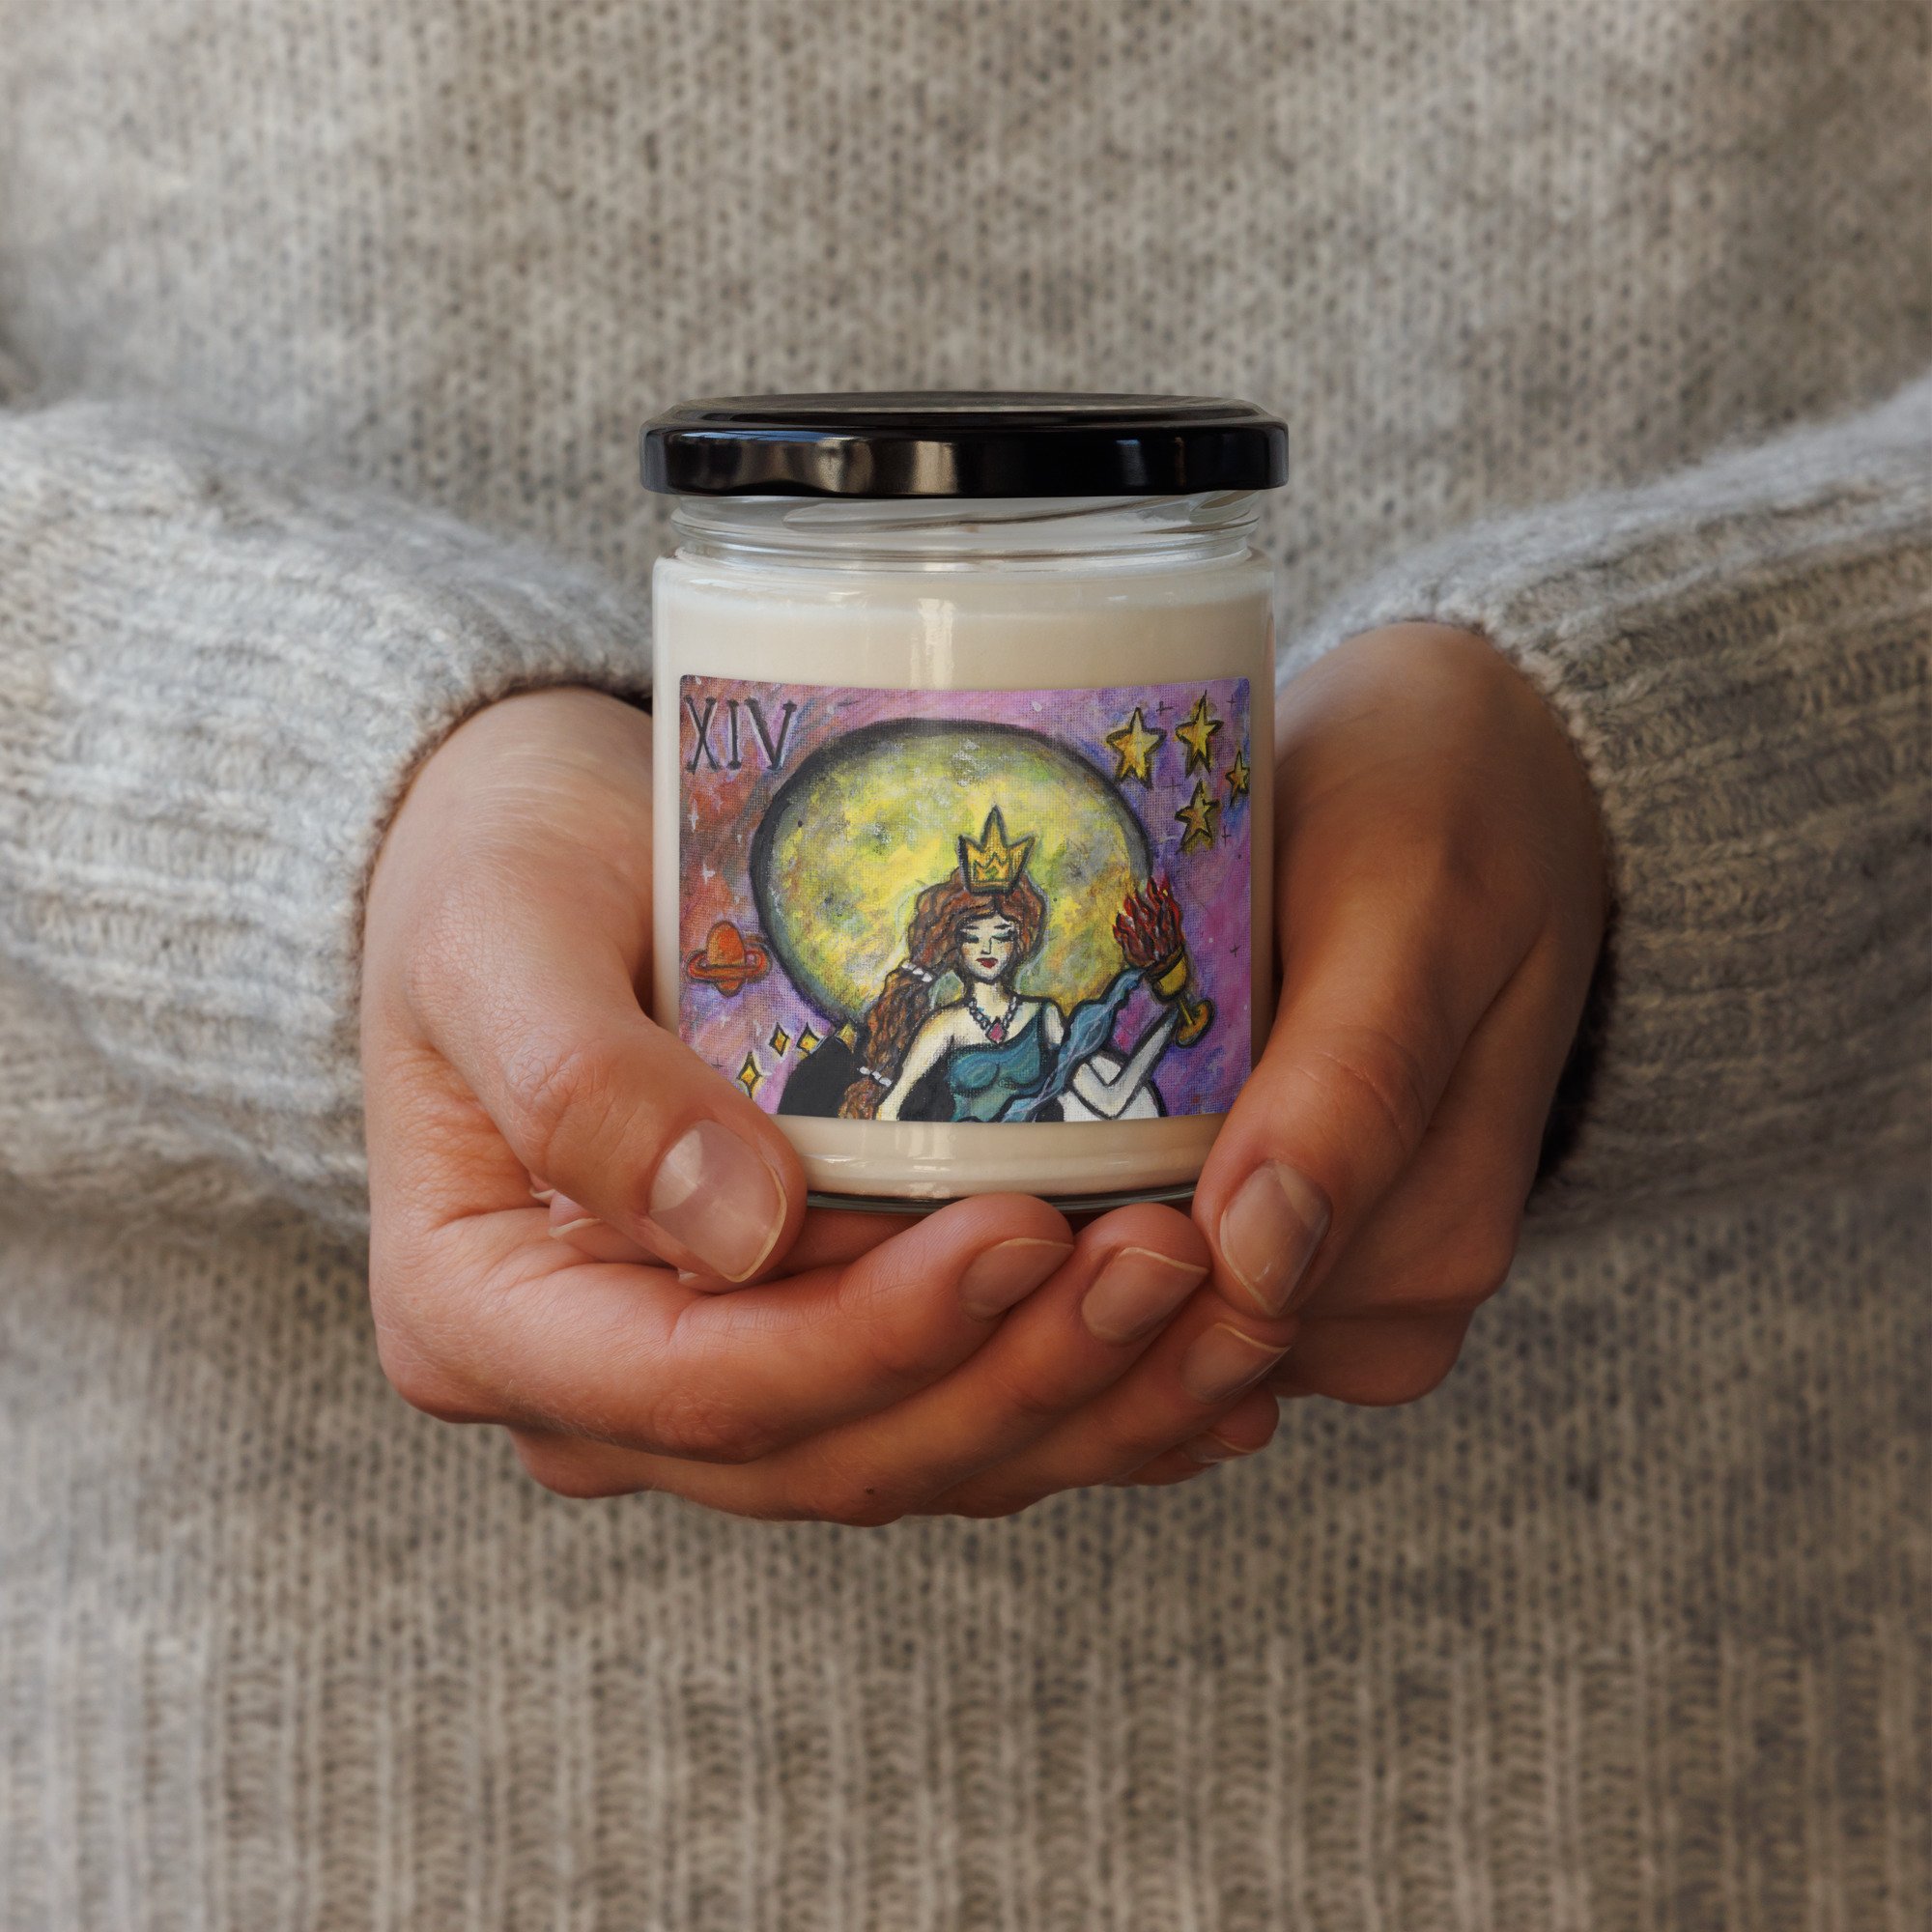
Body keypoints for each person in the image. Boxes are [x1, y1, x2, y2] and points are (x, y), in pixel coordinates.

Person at [1, 2, 1925, 1921]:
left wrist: (1657, 766)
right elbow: (894, 1069)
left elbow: (1104, 1038)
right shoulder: (913, 996)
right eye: (973, 923)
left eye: (1013, 921)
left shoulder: (1061, 978)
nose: (1000, 934)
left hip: (1710, 1733)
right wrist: (304, 790)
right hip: (283, 1753)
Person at [838, 814, 1178, 1125]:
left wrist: (1171, 1019)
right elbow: (889, 1108)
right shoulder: (945, 1025)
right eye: (973, 938)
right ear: (956, 946)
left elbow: (1109, 1101)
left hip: (1033, 1161)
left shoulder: (1043, 1017)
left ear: (1019, 942)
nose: (987, 949)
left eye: (1001, 936)